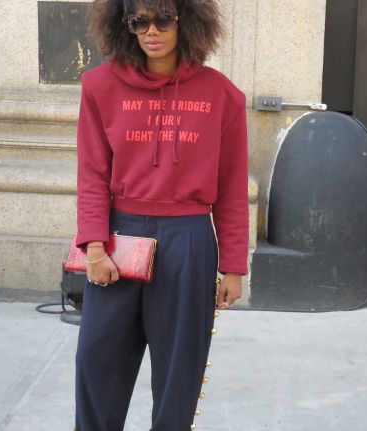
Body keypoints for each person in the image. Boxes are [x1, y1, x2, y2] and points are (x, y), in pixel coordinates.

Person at [74, 0, 249, 429]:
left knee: (178, 368)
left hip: (189, 237)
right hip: (119, 233)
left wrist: (233, 266)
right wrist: (94, 246)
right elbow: (92, 173)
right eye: (139, 22)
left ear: (187, 22)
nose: (151, 32)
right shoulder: (100, 86)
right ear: (125, 26)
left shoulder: (222, 95)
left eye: (163, 20)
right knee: (97, 358)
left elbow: (231, 186)